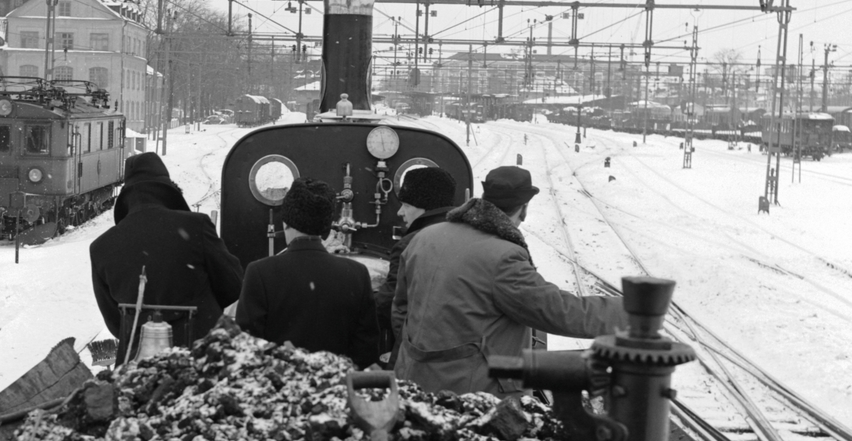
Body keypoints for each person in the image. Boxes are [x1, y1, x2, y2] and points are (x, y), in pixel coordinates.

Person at [392, 165, 626, 396]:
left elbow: (401, 309)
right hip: (472, 396)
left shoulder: (424, 237)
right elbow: (558, 311)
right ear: (523, 210)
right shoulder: (503, 257)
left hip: (412, 383)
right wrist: (628, 313)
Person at [90, 152, 242, 362]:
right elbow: (234, 286)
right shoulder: (196, 227)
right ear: (167, 191)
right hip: (203, 359)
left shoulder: (101, 247)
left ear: (127, 197)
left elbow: (116, 323)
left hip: (137, 366)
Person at [236, 177, 379, 366]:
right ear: (327, 225)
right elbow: (366, 351)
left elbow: (247, 348)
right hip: (338, 380)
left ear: (286, 222)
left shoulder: (260, 273)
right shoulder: (357, 274)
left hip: (280, 379)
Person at [373, 166, 456, 359]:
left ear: (424, 206)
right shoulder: (469, 237)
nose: (400, 212)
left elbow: (389, 304)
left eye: (406, 205)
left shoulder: (409, 244)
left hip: (418, 353)